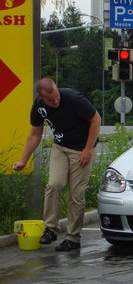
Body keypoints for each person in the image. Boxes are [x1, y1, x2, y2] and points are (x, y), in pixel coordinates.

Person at [12, 78, 101, 251]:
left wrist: (88, 149)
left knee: (76, 195)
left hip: (81, 149)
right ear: (41, 97)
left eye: (57, 97)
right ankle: (51, 229)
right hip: (60, 147)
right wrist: (23, 159)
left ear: (57, 89)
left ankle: (72, 238)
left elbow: (96, 120)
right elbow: (35, 134)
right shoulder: (39, 107)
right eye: (51, 100)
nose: (56, 101)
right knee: (54, 184)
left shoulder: (74, 98)